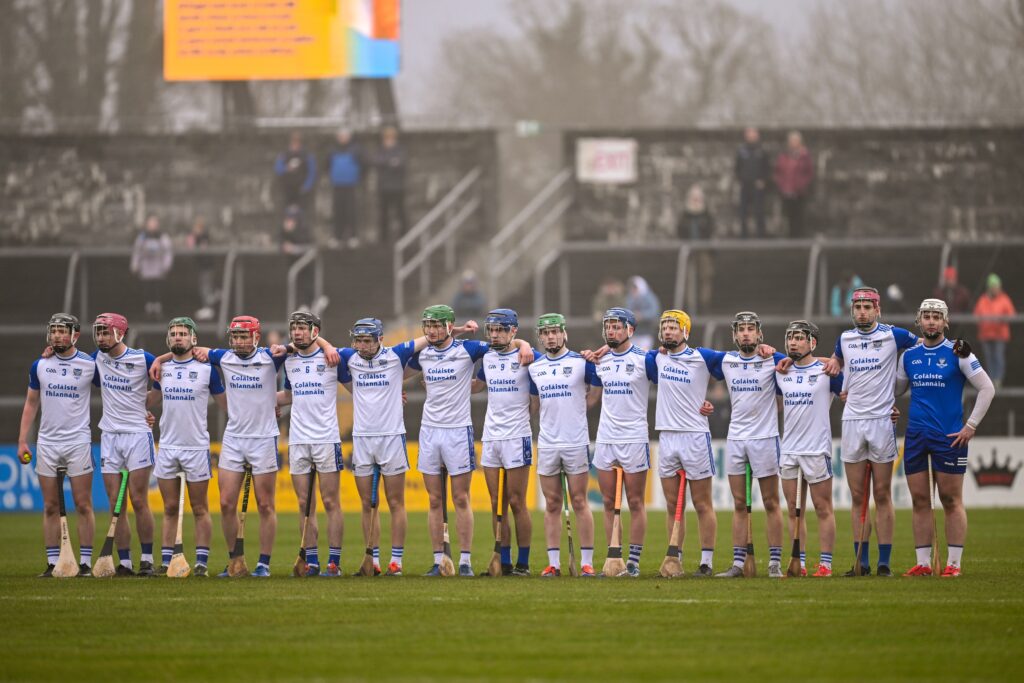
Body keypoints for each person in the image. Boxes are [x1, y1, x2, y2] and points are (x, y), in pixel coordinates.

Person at [406, 305, 532, 576]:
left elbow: (504, 343)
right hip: (429, 432)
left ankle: (465, 562)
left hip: (459, 432)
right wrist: (393, 392)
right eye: (428, 325)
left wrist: (525, 343)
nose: (432, 330)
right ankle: (439, 559)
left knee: (462, 498)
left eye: (438, 325)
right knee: (434, 499)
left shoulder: (471, 350)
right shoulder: (423, 353)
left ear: (449, 325)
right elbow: (395, 371)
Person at [338, 318, 450, 576]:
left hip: (391, 437)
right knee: (367, 503)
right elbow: (321, 349)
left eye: (368, 340)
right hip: (363, 439)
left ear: (379, 339)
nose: (362, 346)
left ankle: (396, 562)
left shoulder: (395, 355)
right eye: (359, 340)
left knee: (396, 502)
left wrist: (454, 330)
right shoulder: (349, 357)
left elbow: (428, 339)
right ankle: (372, 560)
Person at [819, 287, 917, 576]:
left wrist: (899, 389)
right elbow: (836, 361)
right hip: (851, 422)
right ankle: (861, 561)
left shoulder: (894, 335)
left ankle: (884, 562)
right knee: (858, 496)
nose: (862, 311)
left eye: (867, 306)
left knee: (883, 494)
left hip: (881, 422)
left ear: (878, 310)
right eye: (858, 306)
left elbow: (921, 351)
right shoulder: (844, 339)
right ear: (852, 310)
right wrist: (835, 362)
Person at [896, 299, 995, 577]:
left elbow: (987, 389)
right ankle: (924, 564)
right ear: (919, 321)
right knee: (919, 501)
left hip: (949, 437)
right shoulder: (909, 357)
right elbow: (895, 390)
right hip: (916, 436)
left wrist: (971, 425)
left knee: (951, 500)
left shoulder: (959, 353)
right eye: (926, 316)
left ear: (945, 322)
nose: (931, 321)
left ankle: (953, 564)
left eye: (936, 317)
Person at [18, 314, 96, 577]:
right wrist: (22, 440)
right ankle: (53, 563)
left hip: (78, 442)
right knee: (50, 506)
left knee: (83, 504)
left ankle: (85, 563)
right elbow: (31, 403)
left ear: (75, 334)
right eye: (54, 331)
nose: (57, 336)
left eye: (63, 331)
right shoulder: (40, 365)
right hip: (47, 443)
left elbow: (116, 387)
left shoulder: (90, 363)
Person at [150, 317, 226, 577]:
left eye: (183, 333)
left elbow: (227, 405)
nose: (177, 337)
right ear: (168, 339)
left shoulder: (207, 370)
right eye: (173, 333)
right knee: (170, 508)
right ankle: (166, 560)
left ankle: (202, 562)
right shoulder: (162, 369)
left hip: (196, 447)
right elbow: (151, 399)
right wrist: (137, 410)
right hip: (168, 447)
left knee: (200, 507)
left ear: (194, 339)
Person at [648, 310, 720, 577]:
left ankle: (706, 562)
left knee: (702, 503)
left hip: (695, 437)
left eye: (674, 327)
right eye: (665, 327)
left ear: (685, 332)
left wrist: (709, 400)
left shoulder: (703, 357)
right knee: (672, 505)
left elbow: (739, 363)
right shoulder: (656, 358)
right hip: (667, 436)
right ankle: (673, 559)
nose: (668, 331)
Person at [527, 313, 600, 577]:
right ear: (540, 337)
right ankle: (554, 563)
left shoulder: (581, 363)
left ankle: (587, 562)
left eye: (554, 332)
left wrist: (580, 409)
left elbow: (595, 393)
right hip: (547, 443)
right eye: (545, 333)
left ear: (564, 334)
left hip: (575, 441)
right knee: (553, 503)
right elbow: (533, 406)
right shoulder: (535, 367)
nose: (550, 337)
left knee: (579, 501)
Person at [589, 307, 660, 577]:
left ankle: (634, 561)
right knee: (608, 501)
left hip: (633, 437)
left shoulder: (646, 360)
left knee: (635, 501)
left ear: (630, 329)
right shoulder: (600, 361)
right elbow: (592, 397)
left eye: (617, 327)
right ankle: (613, 555)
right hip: (606, 438)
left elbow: (670, 383)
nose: (611, 331)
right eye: (608, 326)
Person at [716, 312, 787, 579]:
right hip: (736, 439)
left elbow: (812, 363)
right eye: (741, 329)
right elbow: (687, 355)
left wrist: (777, 352)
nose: (746, 333)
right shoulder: (725, 360)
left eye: (751, 329)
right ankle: (737, 564)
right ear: (734, 335)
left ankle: (774, 564)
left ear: (759, 334)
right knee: (738, 503)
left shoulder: (773, 359)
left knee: (770, 502)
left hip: (765, 438)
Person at [276, 312, 345, 577]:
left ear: (315, 331)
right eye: (294, 328)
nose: (297, 333)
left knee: (330, 502)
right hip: (298, 441)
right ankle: (312, 560)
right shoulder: (289, 360)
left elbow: (356, 384)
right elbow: (288, 396)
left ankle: (334, 563)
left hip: (326, 439)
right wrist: (265, 402)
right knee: (304, 503)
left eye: (302, 328)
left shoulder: (332, 357)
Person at [90, 313, 160, 576]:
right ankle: (125, 562)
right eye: (98, 332)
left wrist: (144, 407)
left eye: (106, 332)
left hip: (138, 436)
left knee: (139, 500)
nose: (101, 338)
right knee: (114, 503)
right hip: (110, 436)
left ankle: (145, 559)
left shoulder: (143, 358)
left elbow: (164, 380)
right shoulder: (96, 359)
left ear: (120, 333)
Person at [471, 309, 538, 576]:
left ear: (513, 331)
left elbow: (536, 400)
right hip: (491, 437)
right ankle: (504, 561)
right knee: (496, 502)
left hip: (517, 437)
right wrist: (440, 382)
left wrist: (526, 345)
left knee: (517, 501)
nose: (495, 334)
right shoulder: (486, 357)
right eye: (492, 330)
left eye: (501, 329)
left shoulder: (528, 357)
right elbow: (476, 385)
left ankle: (523, 562)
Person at [776, 320, 844, 578]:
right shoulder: (780, 371)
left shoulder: (828, 371)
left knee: (823, 508)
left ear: (812, 342)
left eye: (799, 338)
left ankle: (825, 564)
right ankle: (799, 562)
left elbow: (852, 392)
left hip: (816, 450)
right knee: (795, 511)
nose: (793, 342)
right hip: (789, 450)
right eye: (790, 337)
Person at [675, 185, 715, 312]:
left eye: (698, 198)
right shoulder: (685, 215)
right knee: (688, 279)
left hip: (704, 249)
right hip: (689, 249)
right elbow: (680, 231)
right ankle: (690, 307)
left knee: (706, 276)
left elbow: (711, 230)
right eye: (694, 198)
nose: (696, 200)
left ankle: (705, 305)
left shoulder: (707, 214)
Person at [974, 273, 1015, 388]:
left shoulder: (1004, 299)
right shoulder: (983, 300)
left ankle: (998, 380)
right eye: (993, 286)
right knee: (988, 358)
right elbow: (976, 315)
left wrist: (1001, 319)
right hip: (985, 334)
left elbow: (1011, 315)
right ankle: (991, 380)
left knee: (998, 357)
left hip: (1000, 334)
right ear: (989, 287)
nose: (995, 288)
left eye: (997, 286)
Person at [325, 128, 363, 248]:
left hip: (351, 185)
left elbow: (364, 164)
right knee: (338, 212)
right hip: (337, 185)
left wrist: (358, 177)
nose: (343, 138)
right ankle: (337, 237)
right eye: (341, 136)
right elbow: (326, 165)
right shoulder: (332, 150)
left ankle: (353, 237)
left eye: (345, 136)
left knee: (351, 212)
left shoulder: (356, 149)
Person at [130, 214, 174, 318]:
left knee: (157, 289)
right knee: (147, 288)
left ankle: (158, 310)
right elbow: (137, 251)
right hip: (146, 269)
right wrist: (135, 264)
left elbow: (168, 251)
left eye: (154, 223)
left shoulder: (163, 237)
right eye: (150, 223)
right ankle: (148, 310)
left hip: (158, 269)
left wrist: (167, 265)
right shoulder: (142, 237)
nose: (152, 226)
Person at [773, 131, 814, 238]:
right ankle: (790, 238)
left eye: (796, 140)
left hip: (800, 191)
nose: (793, 143)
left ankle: (799, 238)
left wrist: (802, 184)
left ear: (800, 142)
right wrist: (781, 184)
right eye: (791, 140)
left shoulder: (805, 156)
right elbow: (777, 171)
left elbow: (809, 172)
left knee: (799, 215)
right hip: (786, 191)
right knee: (788, 215)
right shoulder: (783, 155)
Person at [734, 127, 770, 238]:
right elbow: (737, 167)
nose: (751, 136)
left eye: (753, 134)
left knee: (759, 211)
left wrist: (763, 180)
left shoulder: (762, 150)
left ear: (757, 136)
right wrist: (739, 180)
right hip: (744, 184)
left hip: (757, 185)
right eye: (749, 134)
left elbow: (767, 167)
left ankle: (761, 234)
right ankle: (743, 235)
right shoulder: (741, 151)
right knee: (743, 212)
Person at [373, 126, 407, 242]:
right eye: (387, 138)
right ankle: (383, 239)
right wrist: (391, 162)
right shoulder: (381, 150)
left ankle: (404, 236)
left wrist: (388, 163)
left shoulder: (400, 150)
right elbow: (377, 161)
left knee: (400, 213)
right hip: (384, 187)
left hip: (397, 187)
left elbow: (401, 163)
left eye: (391, 138)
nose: (389, 140)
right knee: (383, 214)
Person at [186, 216, 219, 322]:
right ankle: (208, 306)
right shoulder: (197, 237)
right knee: (204, 287)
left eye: (196, 228)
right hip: (202, 267)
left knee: (206, 288)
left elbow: (202, 250)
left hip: (207, 267)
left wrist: (193, 243)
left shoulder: (204, 237)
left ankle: (209, 307)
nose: (194, 230)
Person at [274, 132, 317, 211]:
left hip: (302, 188)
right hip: (288, 189)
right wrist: (286, 168)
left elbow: (312, 172)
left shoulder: (307, 155)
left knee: (301, 212)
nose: (295, 144)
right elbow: (278, 169)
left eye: (297, 142)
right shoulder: (283, 154)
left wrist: (307, 186)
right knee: (288, 213)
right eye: (293, 142)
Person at [625, 277, 661, 351]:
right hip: (633, 334)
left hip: (646, 334)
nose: (633, 290)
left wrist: (642, 316)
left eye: (635, 288)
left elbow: (654, 313)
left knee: (644, 354)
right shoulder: (629, 299)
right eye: (632, 288)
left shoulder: (650, 298)